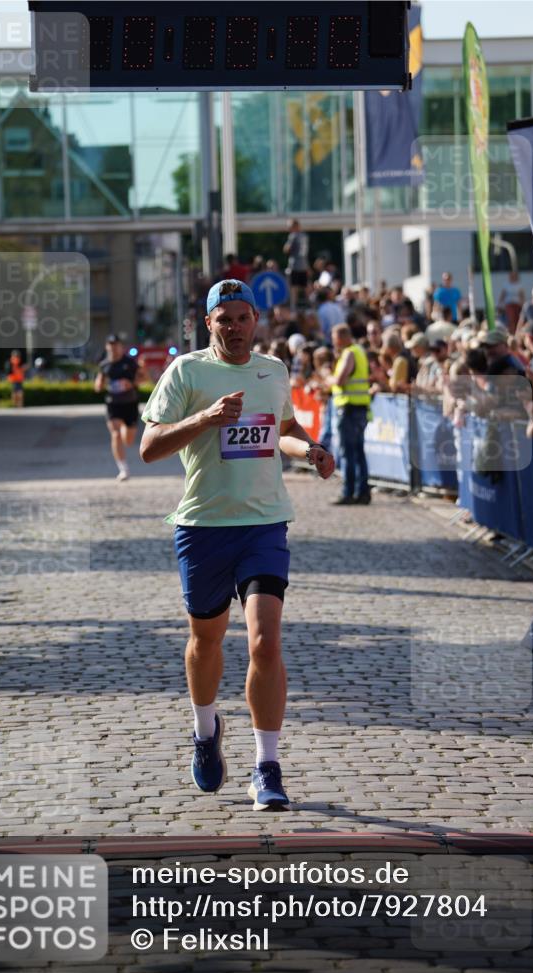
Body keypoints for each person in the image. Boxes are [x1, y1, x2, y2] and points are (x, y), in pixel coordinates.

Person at [139, 279, 335, 811]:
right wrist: (206, 418)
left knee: (264, 642)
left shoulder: (273, 370)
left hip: (264, 523)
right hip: (202, 527)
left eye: (242, 317)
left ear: (256, 320)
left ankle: (266, 767)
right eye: (223, 318)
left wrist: (310, 451)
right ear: (208, 324)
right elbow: (150, 447)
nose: (234, 327)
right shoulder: (186, 371)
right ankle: (205, 731)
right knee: (205, 642)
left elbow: (283, 429)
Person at [329, 323, 371, 505]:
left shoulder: (349, 353)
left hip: (349, 409)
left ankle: (349, 492)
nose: (334, 343)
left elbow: (340, 380)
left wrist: (327, 379)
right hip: (360, 408)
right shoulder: (359, 351)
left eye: (335, 338)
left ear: (342, 337)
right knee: (359, 452)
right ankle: (362, 493)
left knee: (348, 453)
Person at [94, 333, 145, 481]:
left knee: (128, 440)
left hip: (130, 403)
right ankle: (123, 469)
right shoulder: (104, 365)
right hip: (113, 404)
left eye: (116, 345)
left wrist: (131, 383)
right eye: (111, 345)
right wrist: (99, 384)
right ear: (107, 347)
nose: (113, 348)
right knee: (115, 434)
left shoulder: (130, 363)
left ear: (121, 347)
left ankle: (125, 429)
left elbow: (143, 378)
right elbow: (98, 385)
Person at [282, 220, 310, 309]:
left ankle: (293, 306)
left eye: (289, 226)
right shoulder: (304, 236)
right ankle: (310, 305)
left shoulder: (293, 236)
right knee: (305, 286)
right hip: (304, 264)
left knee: (294, 287)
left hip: (295, 264)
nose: (288, 229)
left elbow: (287, 249)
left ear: (295, 226)